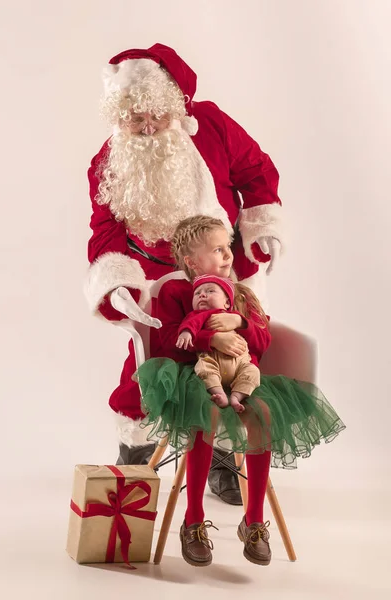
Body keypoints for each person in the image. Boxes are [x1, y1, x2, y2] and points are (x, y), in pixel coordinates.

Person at [85, 43, 285, 504]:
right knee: (149, 365)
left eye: (156, 113)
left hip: (224, 269)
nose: (148, 126)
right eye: (135, 119)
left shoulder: (212, 125)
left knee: (239, 361)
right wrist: (116, 281)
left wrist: (262, 225)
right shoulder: (107, 162)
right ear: (119, 119)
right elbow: (104, 228)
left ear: (175, 106)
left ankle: (224, 461)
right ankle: (134, 456)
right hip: (157, 281)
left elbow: (256, 171)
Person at [136, 215, 345, 567]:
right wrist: (210, 337)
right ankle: (194, 519)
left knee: (262, 414)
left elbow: (263, 341)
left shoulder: (242, 293)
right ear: (191, 261)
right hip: (195, 377)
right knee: (208, 413)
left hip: (243, 377)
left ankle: (253, 521)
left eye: (228, 246)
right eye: (217, 249)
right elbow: (169, 341)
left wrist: (240, 322)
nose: (228, 255)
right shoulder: (175, 292)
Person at [176, 275, 262, 413]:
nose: (202, 295)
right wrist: (186, 332)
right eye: (197, 293)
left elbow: (258, 335)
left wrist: (240, 321)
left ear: (227, 303)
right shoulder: (198, 315)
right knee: (204, 368)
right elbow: (190, 324)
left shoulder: (234, 316)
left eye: (210, 291)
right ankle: (220, 393)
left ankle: (236, 396)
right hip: (212, 360)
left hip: (240, 363)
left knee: (253, 372)